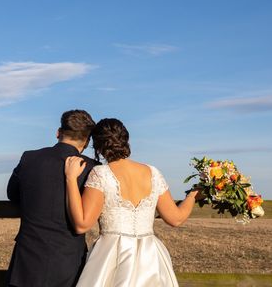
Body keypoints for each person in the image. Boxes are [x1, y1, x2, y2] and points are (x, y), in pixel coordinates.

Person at [64, 118, 199, 287]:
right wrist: (192, 196)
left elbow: (82, 224)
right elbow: (176, 218)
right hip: (151, 258)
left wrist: (70, 179)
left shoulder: (101, 174)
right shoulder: (153, 172)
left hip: (111, 257)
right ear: (125, 140)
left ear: (98, 146)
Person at [7, 109, 99, 287]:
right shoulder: (92, 168)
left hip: (27, 259)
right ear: (87, 141)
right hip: (68, 260)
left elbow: (12, 194)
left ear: (58, 132)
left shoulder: (29, 158)